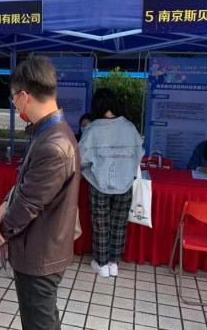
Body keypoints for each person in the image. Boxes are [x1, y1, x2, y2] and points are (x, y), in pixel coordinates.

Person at [0, 56, 80, 330]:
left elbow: (28, 205)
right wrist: (4, 203)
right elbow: (27, 182)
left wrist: (1, 231)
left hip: (40, 252)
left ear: (23, 97)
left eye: (13, 99)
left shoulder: (53, 143)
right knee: (43, 319)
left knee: (39, 323)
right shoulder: (49, 131)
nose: (15, 105)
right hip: (41, 246)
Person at [79, 88, 143, 278]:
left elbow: (81, 158)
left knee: (101, 224)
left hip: (99, 183)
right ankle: (114, 263)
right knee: (119, 224)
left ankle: (101, 264)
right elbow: (139, 155)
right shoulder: (130, 127)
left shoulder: (93, 129)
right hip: (125, 184)